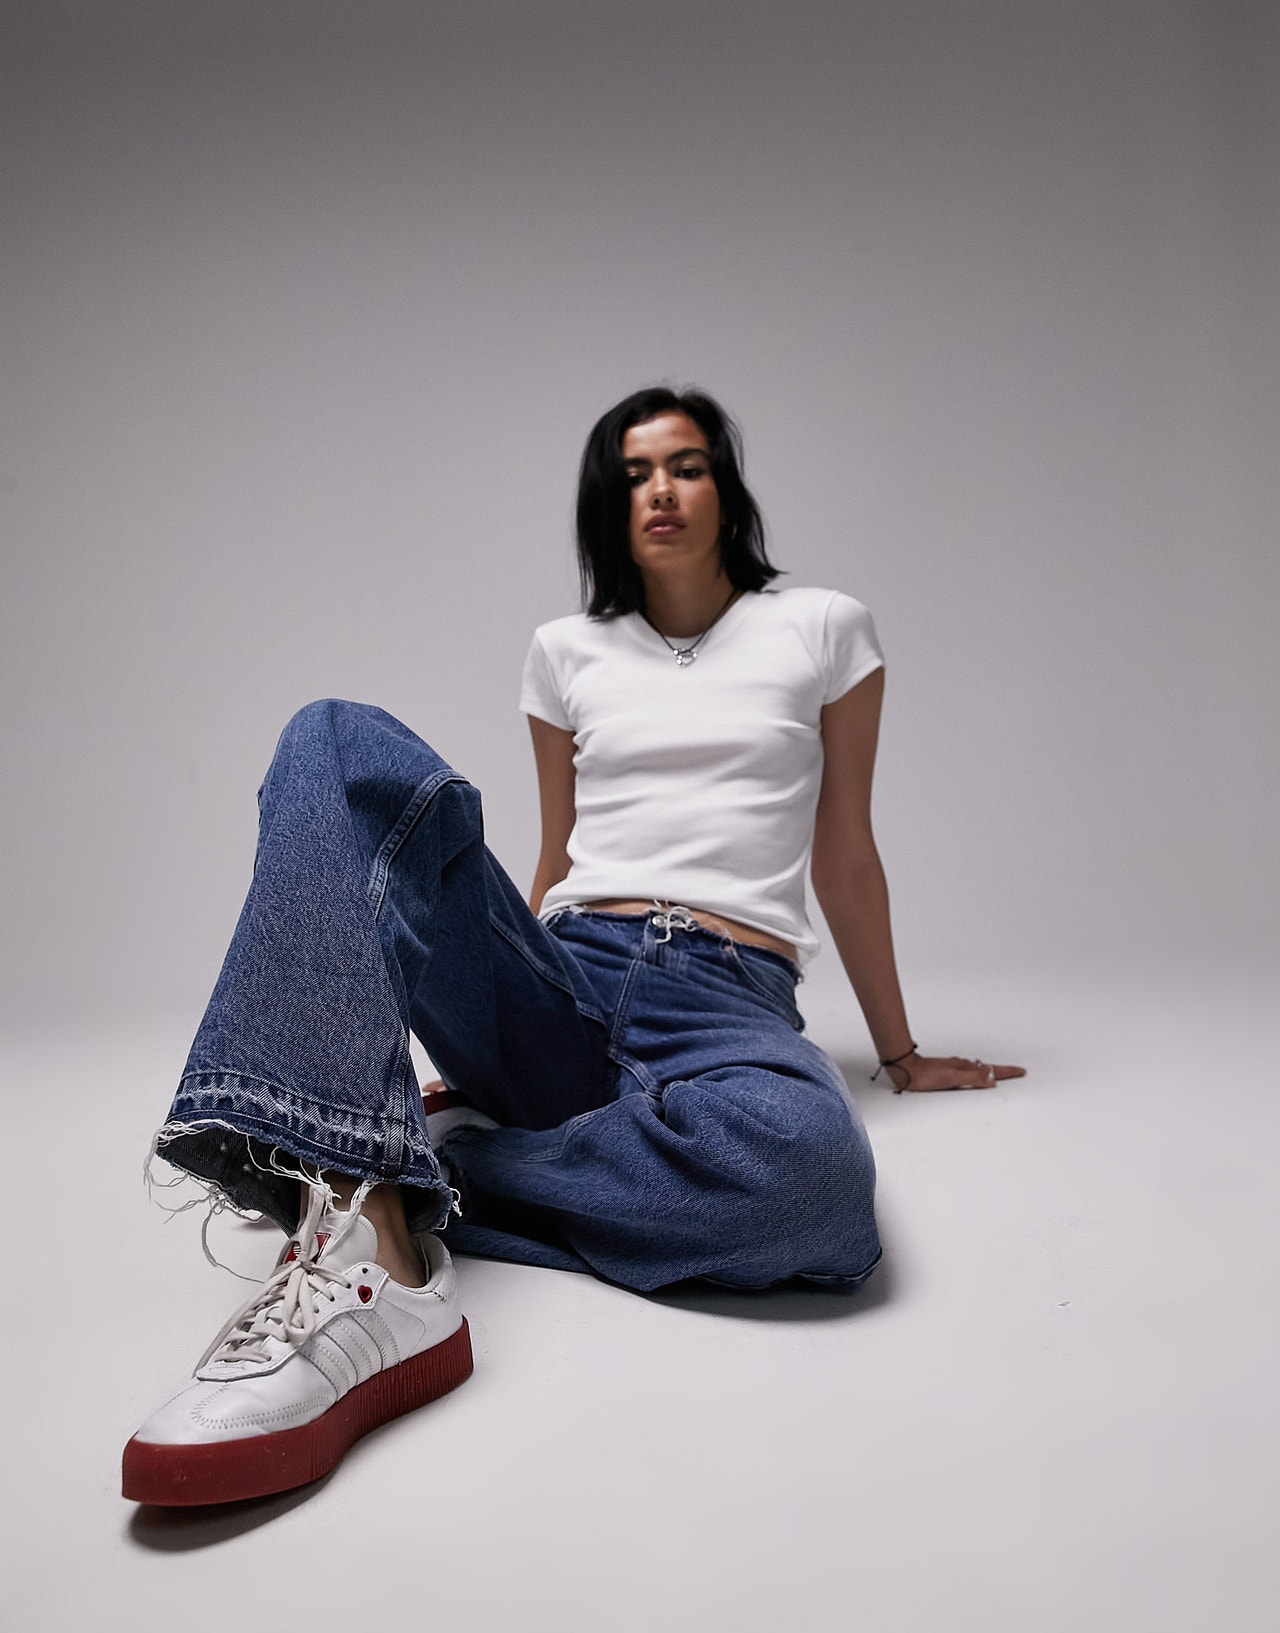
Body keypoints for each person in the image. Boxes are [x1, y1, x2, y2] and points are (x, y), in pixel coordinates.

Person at [122, 386, 1024, 1507]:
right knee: (335, 737)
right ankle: (375, 1246)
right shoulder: (565, 650)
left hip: (729, 999)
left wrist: (898, 1053)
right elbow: (553, 858)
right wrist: (494, 1011)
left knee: (816, 1188)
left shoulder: (825, 628)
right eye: (634, 473)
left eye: (686, 465)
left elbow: (846, 856)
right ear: (610, 502)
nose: (661, 490)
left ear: (724, 487)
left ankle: (411, 1166)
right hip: (567, 971)